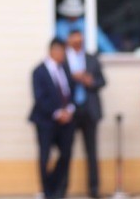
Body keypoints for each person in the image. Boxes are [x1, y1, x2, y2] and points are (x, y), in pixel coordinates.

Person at [30, 39, 77, 199]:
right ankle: (47, 191)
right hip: (46, 120)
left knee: (66, 154)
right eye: (61, 52)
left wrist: (69, 110)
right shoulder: (39, 71)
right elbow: (40, 97)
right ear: (53, 51)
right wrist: (57, 113)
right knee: (45, 156)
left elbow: (71, 91)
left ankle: (58, 188)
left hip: (67, 120)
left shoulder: (65, 68)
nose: (63, 55)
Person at [65, 29, 106, 198]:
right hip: (70, 109)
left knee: (92, 151)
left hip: (89, 110)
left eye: (80, 41)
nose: (77, 43)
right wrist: (72, 78)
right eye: (74, 40)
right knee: (65, 151)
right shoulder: (63, 59)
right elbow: (57, 81)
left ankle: (94, 188)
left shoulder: (91, 58)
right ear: (69, 40)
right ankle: (61, 189)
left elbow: (102, 81)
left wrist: (90, 81)